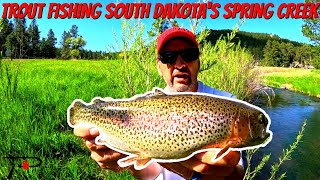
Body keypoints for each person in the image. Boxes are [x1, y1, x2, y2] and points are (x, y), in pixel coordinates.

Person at [74, 27, 245, 180]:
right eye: (168, 57)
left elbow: (239, 173)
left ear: (198, 62)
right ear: (158, 66)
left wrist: (221, 175)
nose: (179, 64)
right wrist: (123, 161)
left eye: (189, 55)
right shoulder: (142, 107)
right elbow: (150, 174)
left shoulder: (228, 103)